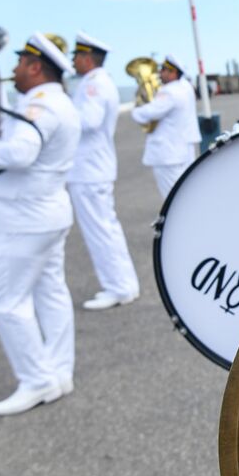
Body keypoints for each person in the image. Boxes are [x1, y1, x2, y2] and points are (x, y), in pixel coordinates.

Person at [0, 33, 81, 416]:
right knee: (51, 293)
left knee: (7, 302)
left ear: (34, 66)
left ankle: (38, 381)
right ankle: (58, 373)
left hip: (24, 218)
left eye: (17, 64)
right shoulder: (55, 101)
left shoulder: (40, 104)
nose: (11, 71)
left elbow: (20, 153)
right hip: (44, 212)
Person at [68, 33, 141, 310]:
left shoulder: (93, 85)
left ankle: (117, 288)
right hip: (92, 168)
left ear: (87, 58)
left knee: (100, 232)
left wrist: (62, 112)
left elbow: (90, 120)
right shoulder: (96, 82)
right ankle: (125, 285)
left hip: (89, 169)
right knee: (107, 229)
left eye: (76, 56)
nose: (73, 61)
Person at [131, 53, 201, 199]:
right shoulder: (186, 87)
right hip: (183, 149)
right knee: (185, 192)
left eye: (163, 69)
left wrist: (136, 110)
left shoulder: (169, 92)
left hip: (168, 154)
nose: (159, 73)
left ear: (173, 73)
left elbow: (148, 113)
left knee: (173, 198)